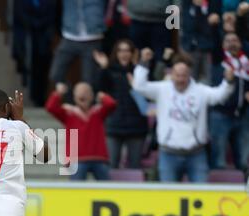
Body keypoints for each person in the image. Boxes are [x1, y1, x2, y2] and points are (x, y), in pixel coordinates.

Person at [133, 48, 235, 183]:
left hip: (196, 154)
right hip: (168, 154)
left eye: (184, 75)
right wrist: (143, 63)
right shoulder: (162, 89)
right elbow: (139, 86)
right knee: (169, 198)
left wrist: (228, 82)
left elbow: (220, 96)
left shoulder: (200, 91)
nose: (180, 79)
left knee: (201, 197)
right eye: (177, 75)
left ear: (190, 74)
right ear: (172, 74)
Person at [93, 39, 148, 169]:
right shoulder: (109, 70)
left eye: (127, 50)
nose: (124, 54)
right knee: (111, 164)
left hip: (137, 125)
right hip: (114, 124)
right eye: (121, 50)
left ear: (133, 53)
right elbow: (98, 89)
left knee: (135, 166)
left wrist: (138, 76)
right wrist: (103, 67)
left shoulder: (139, 71)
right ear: (116, 53)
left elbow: (149, 95)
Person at [46, 82, 117, 180]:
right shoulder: (69, 113)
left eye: (86, 92)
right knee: (75, 191)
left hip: (98, 157)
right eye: (79, 92)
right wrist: (58, 93)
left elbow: (111, 104)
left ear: (92, 96)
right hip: (76, 159)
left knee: (107, 191)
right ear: (74, 96)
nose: (83, 94)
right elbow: (51, 107)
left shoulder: (98, 112)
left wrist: (103, 96)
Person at [209, 33, 249, 172]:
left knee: (243, 160)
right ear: (222, 45)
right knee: (219, 159)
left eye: (235, 40)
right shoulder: (219, 60)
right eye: (228, 41)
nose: (232, 43)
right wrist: (215, 27)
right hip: (221, 115)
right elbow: (214, 41)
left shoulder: (245, 62)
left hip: (242, 116)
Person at [49, 0, 106, 87]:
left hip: (93, 39)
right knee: (55, 75)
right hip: (69, 37)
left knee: (89, 82)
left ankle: (83, 98)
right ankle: (72, 97)